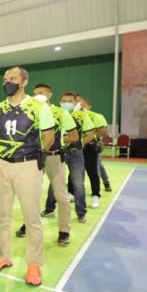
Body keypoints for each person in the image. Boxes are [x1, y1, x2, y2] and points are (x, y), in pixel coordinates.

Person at [0, 67, 54, 286]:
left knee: (31, 217)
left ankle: (34, 265)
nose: (7, 82)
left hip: (28, 165)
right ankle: (3, 256)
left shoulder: (39, 107)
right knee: (2, 215)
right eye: (5, 79)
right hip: (1, 165)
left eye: (13, 79)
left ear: (24, 82)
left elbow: (49, 137)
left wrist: (34, 157)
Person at [16, 84, 78, 246]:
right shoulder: (30, 112)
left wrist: (59, 140)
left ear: (49, 95)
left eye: (41, 92)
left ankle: (64, 230)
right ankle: (28, 224)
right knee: (30, 195)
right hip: (33, 158)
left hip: (54, 157)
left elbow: (74, 136)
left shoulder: (61, 113)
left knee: (61, 196)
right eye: (35, 93)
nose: (37, 95)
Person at [45, 92, 95, 223]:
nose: (66, 103)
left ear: (75, 103)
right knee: (54, 182)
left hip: (75, 153)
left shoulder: (82, 116)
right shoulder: (56, 114)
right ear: (60, 102)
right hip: (59, 152)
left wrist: (79, 144)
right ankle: (49, 208)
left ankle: (81, 213)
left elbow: (91, 134)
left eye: (70, 101)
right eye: (64, 101)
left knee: (78, 183)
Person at [77, 95, 104, 209]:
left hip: (90, 147)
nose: (78, 104)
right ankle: (71, 193)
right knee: (74, 173)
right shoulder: (70, 115)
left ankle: (95, 195)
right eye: (76, 101)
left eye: (80, 101)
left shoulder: (94, 116)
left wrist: (88, 140)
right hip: (74, 148)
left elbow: (101, 131)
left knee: (92, 172)